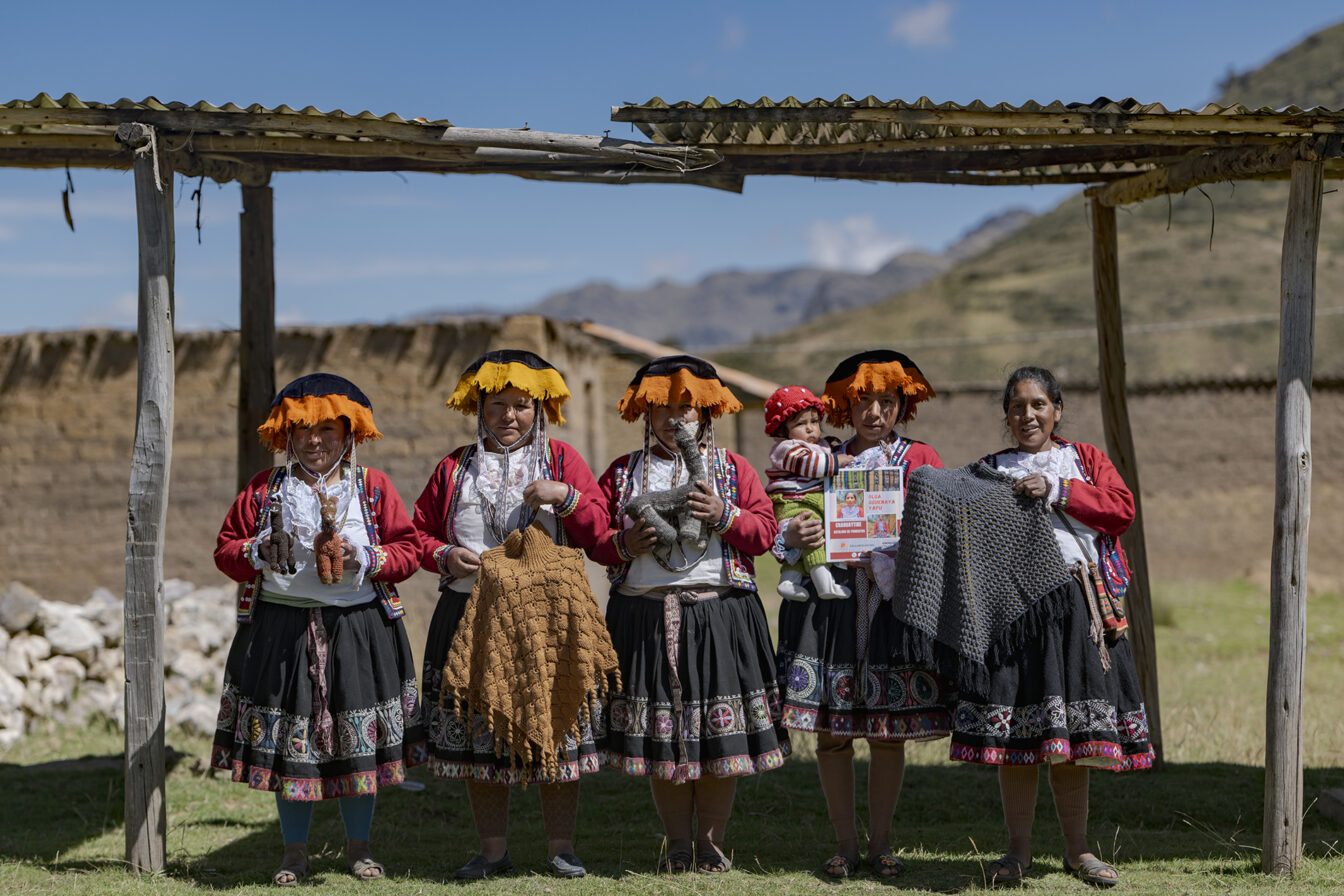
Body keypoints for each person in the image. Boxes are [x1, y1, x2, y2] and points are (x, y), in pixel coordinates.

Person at [212, 372, 427, 886]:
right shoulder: (265, 491)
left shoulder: (372, 488)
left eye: (328, 430)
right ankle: (295, 853)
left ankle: (359, 848)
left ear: (349, 435)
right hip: (282, 631)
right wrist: (256, 551)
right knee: (294, 743)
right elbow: (225, 549)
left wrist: (365, 555)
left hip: (360, 627)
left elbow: (410, 549)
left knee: (358, 739)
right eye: (303, 430)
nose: (314, 441)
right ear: (285, 434)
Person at [950, 366, 1153, 887]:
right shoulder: (988, 470)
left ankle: (1078, 850)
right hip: (1013, 618)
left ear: (1057, 410)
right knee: (1019, 732)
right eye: (1017, 406)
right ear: (1006, 415)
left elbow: (1122, 510)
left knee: (1071, 735)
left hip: (1077, 612)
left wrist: (1059, 490)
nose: (1028, 415)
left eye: (1038, 404)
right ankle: (1015, 852)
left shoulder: (1083, 460)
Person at [412, 349, 611, 880]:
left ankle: (561, 848)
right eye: (497, 404)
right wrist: (444, 555)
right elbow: (418, 534)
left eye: (522, 405)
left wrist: (565, 496)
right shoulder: (455, 468)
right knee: (483, 731)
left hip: (549, 620)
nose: (509, 416)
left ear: (539, 407)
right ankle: (493, 851)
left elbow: (600, 532)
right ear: (478, 406)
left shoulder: (563, 460)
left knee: (558, 726)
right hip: (469, 612)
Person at [590, 354, 790, 874]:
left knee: (717, 733)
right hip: (644, 617)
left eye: (687, 407)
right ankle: (677, 844)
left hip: (719, 615)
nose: (674, 418)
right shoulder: (622, 474)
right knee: (663, 737)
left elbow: (764, 535)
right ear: (643, 413)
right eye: (661, 408)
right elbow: (597, 542)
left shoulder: (733, 469)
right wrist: (624, 542)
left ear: (707, 413)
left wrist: (724, 514)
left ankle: (711, 843)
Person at [773, 349, 949, 879]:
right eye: (863, 401)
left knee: (887, 731)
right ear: (844, 407)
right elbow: (780, 510)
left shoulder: (921, 459)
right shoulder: (818, 456)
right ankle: (845, 844)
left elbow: (944, 527)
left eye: (886, 401)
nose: (875, 412)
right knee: (834, 730)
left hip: (894, 603)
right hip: (833, 603)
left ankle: (883, 844)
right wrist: (792, 535)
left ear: (903, 406)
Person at [762, 385, 854, 600]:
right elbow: (812, 465)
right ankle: (824, 582)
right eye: (801, 424)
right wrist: (836, 461)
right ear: (782, 430)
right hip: (794, 501)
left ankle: (788, 581)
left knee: (802, 548)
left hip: (804, 500)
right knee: (814, 535)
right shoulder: (787, 449)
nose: (811, 428)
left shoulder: (814, 445)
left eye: (814, 421)